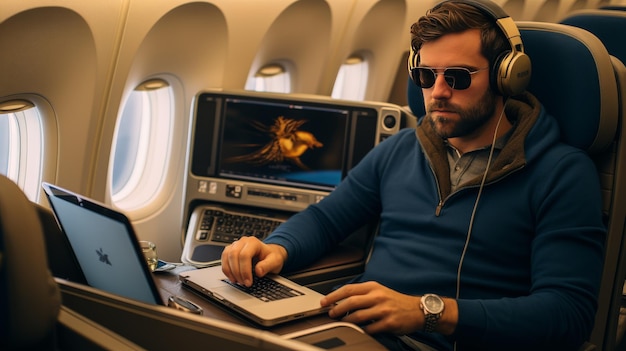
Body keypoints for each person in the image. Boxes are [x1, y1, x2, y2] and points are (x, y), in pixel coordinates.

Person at [221, 1, 606, 350]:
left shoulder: (562, 173)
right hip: (355, 332)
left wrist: (429, 313)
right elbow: (325, 220)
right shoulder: (402, 148)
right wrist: (277, 248)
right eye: (425, 75)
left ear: (507, 76)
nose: (437, 92)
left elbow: (567, 313)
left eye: (457, 77)